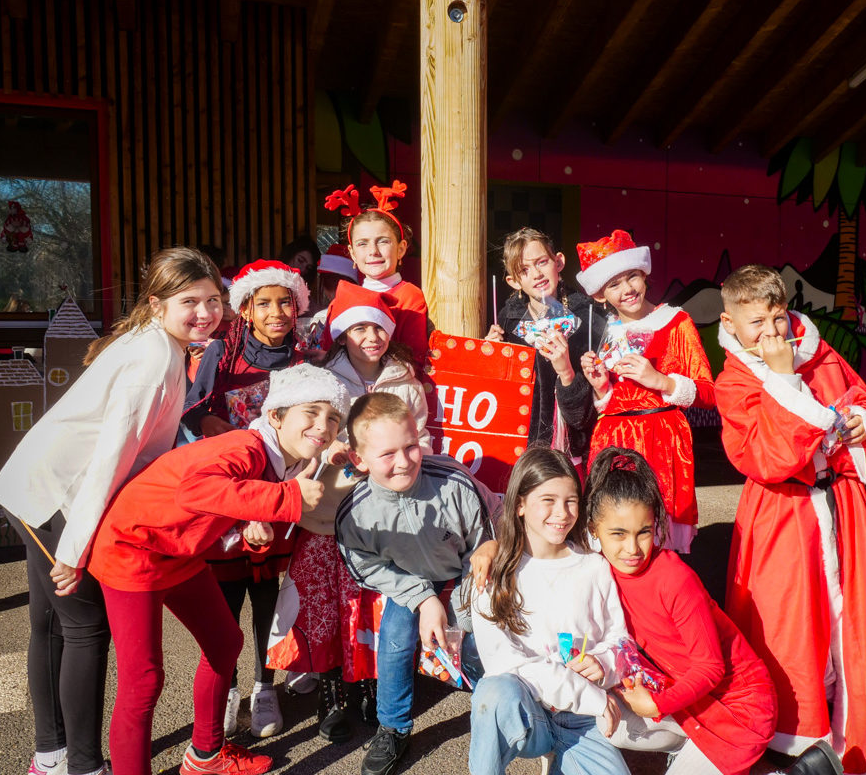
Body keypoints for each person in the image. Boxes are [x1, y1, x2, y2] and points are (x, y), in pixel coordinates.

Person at [0, 247, 223, 775]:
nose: (206, 312)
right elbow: (110, 460)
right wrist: (73, 552)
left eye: (214, 299)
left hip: (35, 483)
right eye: (191, 301)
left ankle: (51, 755)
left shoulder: (157, 340)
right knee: (85, 628)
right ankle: (84, 765)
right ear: (157, 301)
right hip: (58, 497)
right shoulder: (153, 358)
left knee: (50, 624)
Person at [88, 364, 348, 775]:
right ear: (276, 416)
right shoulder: (245, 447)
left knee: (225, 642)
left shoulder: (287, 459)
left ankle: (205, 756)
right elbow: (195, 491)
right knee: (143, 681)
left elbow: (219, 511)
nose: (324, 424)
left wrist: (250, 530)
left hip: (178, 551)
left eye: (333, 417)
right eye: (311, 412)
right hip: (132, 551)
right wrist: (284, 498)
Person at [714, 264, 866, 775]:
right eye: (756, 323)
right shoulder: (733, 382)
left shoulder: (821, 352)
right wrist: (780, 378)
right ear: (730, 325)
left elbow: (864, 403)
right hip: (781, 513)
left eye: (776, 318)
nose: (771, 332)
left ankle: (857, 730)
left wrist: (863, 427)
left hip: (840, 503)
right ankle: (798, 739)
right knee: (788, 625)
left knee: (849, 621)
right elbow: (769, 457)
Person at [586, 447, 843, 775]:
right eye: (617, 534)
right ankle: (702, 756)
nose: (632, 548)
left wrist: (656, 704)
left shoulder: (673, 578)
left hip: (738, 710)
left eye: (644, 532)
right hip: (689, 701)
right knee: (610, 723)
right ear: (594, 530)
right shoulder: (600, 572)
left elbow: (710, 668)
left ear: (656, 525)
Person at [270, 282, 432, 743]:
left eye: (377, 327)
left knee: (374, 599)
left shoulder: (406, 378)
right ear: (342, 334)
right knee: (327, 600)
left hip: (385, 504)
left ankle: (372, 684)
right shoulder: (322, 377)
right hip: (331, 501)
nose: (370, 337)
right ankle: (333, 689)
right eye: (358, 328)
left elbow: (420, 435)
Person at [181, 258, 311, 738]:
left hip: (277, 490)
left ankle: (264, 686)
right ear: (247, 309)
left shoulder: (304, 359)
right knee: (224, 598)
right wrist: (209, 425)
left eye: (286, 302)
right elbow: (193, 411)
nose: (277, 312)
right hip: (229, 494)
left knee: (267, 597)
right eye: (265, 303)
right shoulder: (220, 352)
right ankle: (227, 688)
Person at [336, 392, 494, 775]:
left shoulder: (453, 482)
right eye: (387, 454)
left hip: (463, 567)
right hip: (407, 579)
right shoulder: (355, 513)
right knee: (394, 637)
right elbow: (364, 567)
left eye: (411, 446)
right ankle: (393, 726)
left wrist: (483, 562)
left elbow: (486, 534)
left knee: (476, 636)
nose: (404, 462)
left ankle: (502, 705)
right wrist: (422, 598)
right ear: (359, 460)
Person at [469, 446, 630, 775]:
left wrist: (606, 664)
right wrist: (594, 698)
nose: (562, 513)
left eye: (571, 500)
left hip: (582, 720)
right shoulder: (492, 574)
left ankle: (561, 762)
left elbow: (622, 639)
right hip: (532, 713)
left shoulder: (594, 567)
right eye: (548, 500)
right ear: (520, 505)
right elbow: (504, 663)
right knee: (493, 691)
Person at [576, 229, 715, 552]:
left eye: (632, 277)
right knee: (615, 539)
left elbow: (709, 393)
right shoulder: (606, 331)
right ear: (600, 295)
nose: (627, 289)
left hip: (662, 443)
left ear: (644, 275)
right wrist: (601, 389)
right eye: (614, 284)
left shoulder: (676, 321)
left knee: (657, 542)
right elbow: (612, 402)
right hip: (612, 445)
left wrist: (662, 382)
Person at [485, 227, 604, 465]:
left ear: (558, 262)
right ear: (513, 281)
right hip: (523, 446)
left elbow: (586, 413)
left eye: (542, 262)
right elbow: (499, 396)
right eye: (524, 270)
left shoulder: (588, 318)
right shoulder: (507, 320)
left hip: (575, 448)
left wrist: (566, 371)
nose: (537, 274)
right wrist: (490, 357)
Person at [325, 181, 429, 363]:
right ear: (352, 254)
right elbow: (327, 351)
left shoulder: (409, 297)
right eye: (362, 243)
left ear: (401, 249)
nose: (373, 251)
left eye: (383, 241)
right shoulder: (341, 300)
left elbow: (413, 358)